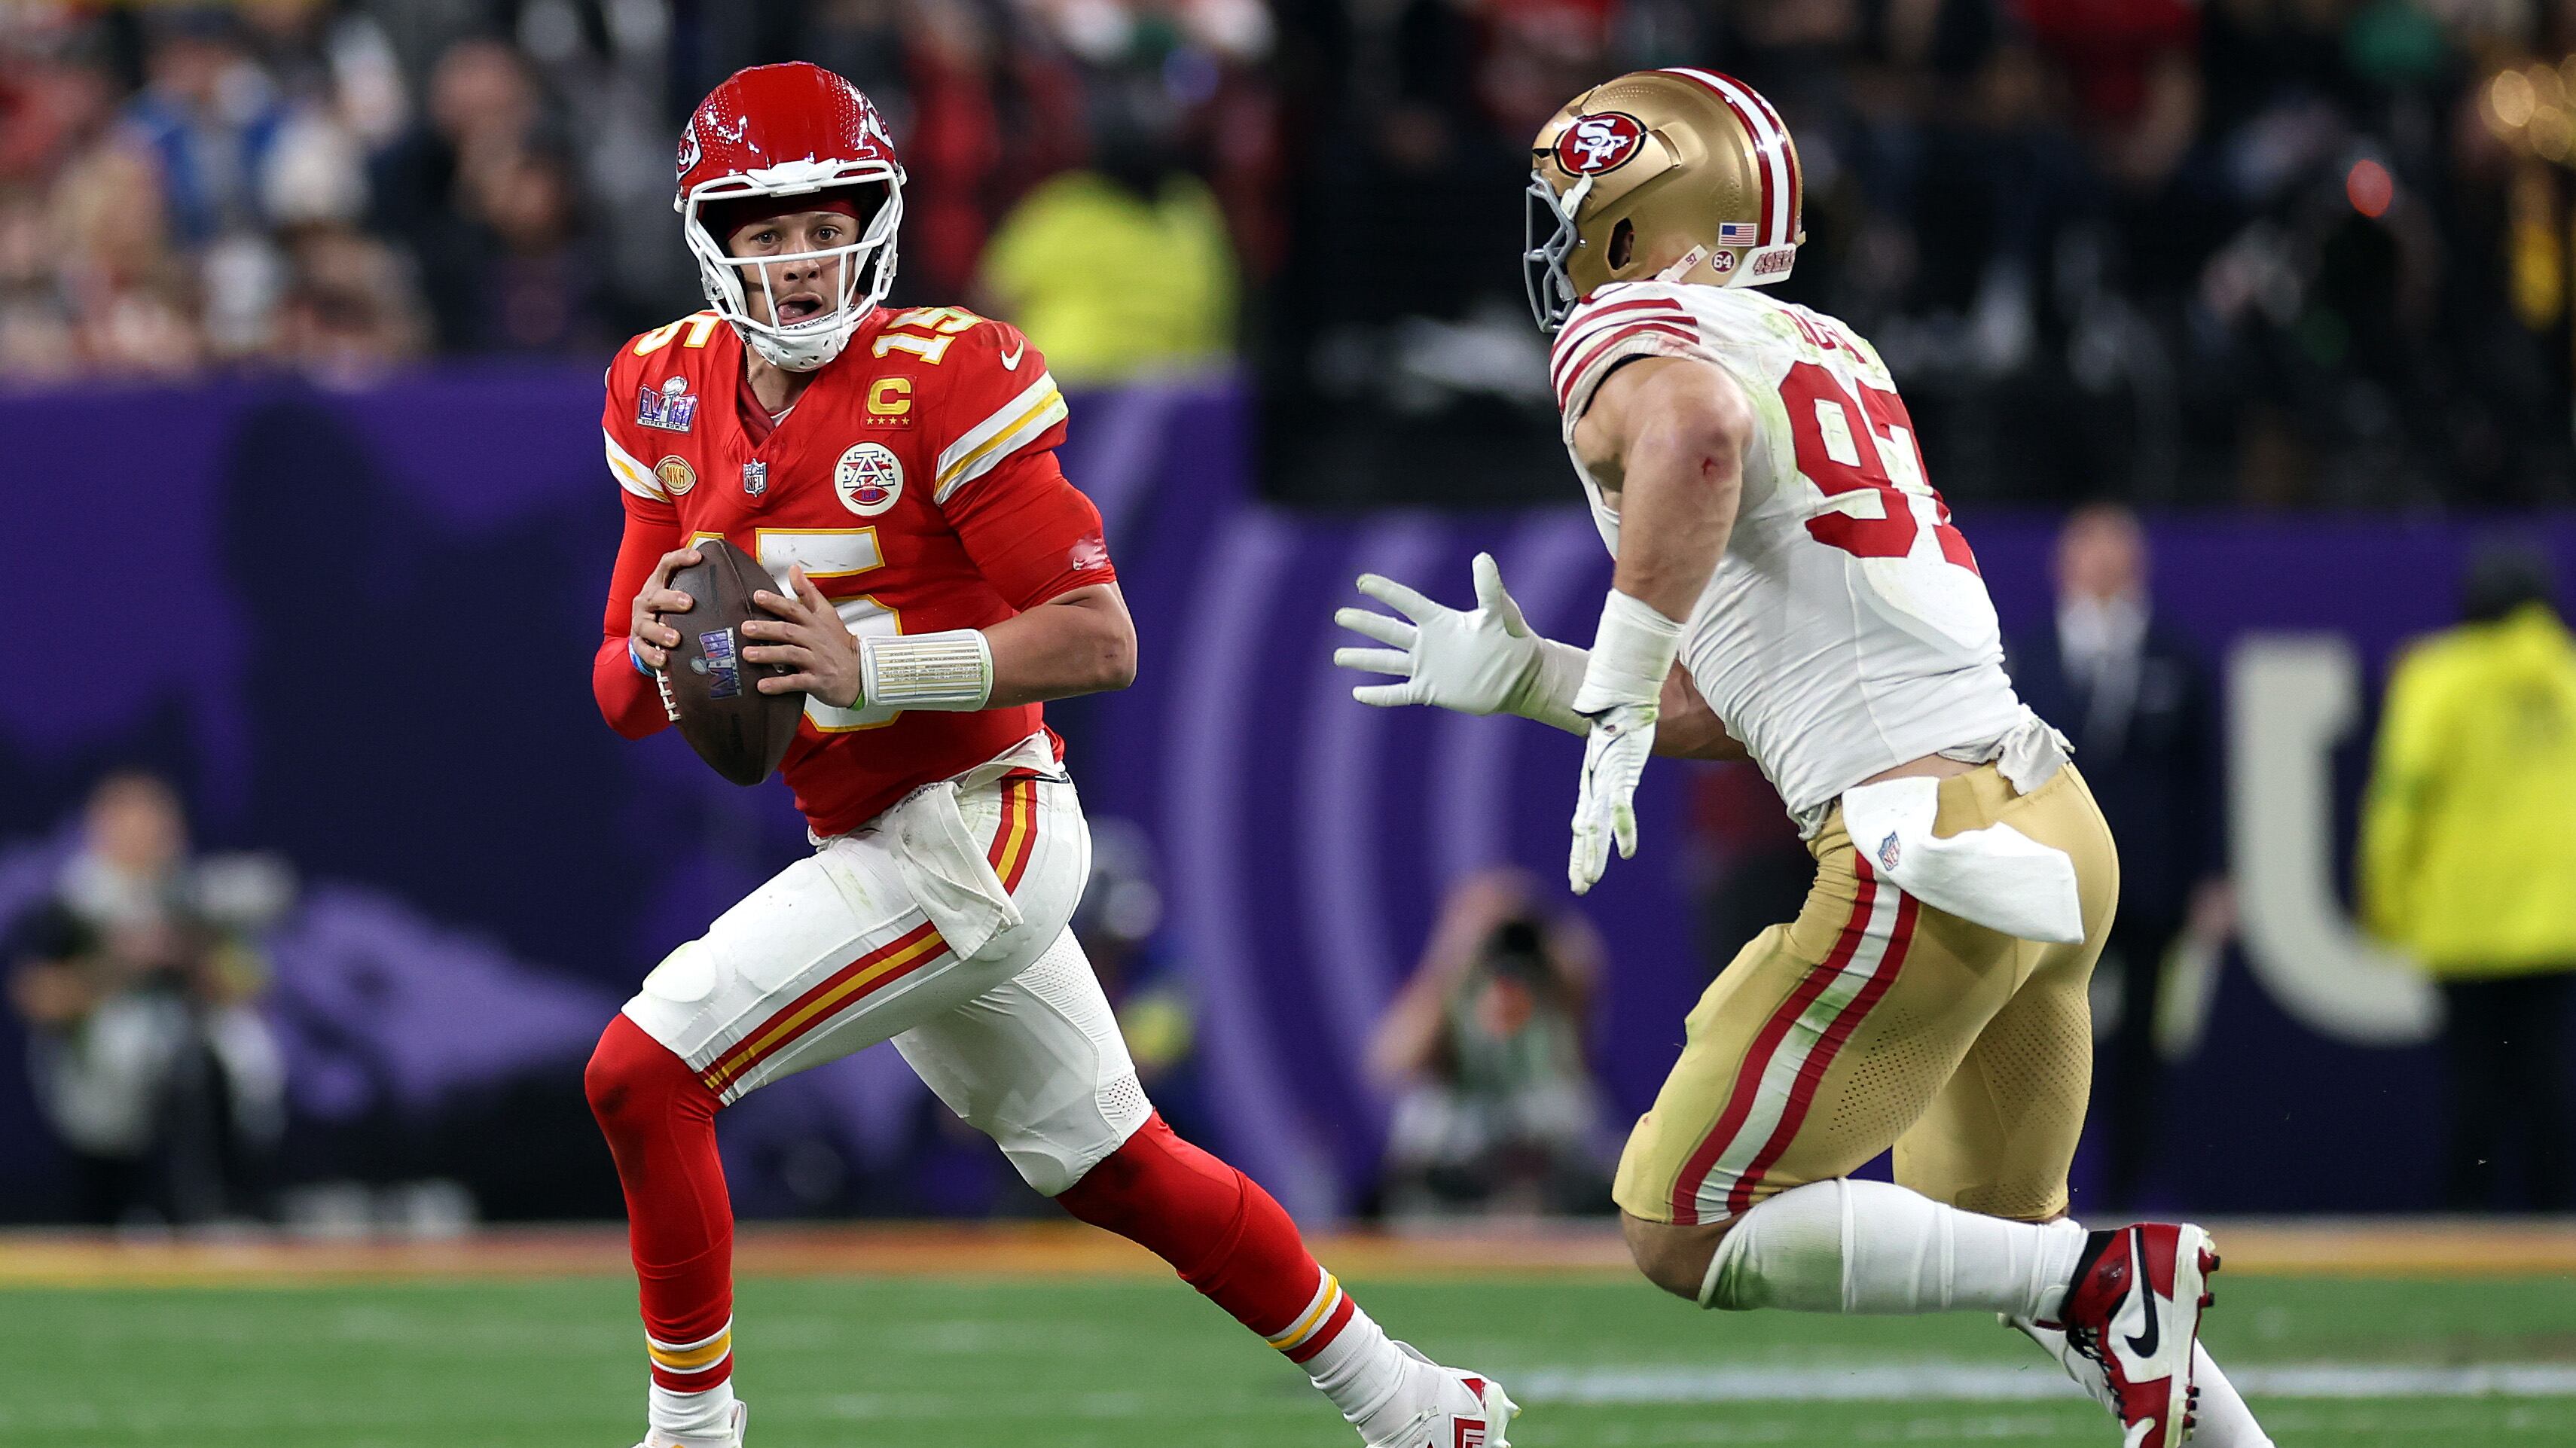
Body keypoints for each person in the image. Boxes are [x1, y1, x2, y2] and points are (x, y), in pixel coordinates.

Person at [1335, 70, 2272, 1448]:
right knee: (2014, 1257)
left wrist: (1620, 681)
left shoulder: (1631, 329)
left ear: (1643, 221)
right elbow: (1750, 701)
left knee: (1683, 1218)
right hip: (2049, 820)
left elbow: (1697, 435)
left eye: (1575, 209)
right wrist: (1548, 678)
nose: (1557, 242)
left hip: (1927, 851)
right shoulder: (1827, 344)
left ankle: (2105, 1279)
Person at [581, 64, 1509, 1448]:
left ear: (877, 223)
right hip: (868, 836)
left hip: (981, 820)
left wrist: (873, 667)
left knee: (642, 1071)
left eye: (828, 223)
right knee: (1120, 1166)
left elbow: (1099, 636)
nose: (804, 258)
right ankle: (1421, 1406)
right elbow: (622, 688)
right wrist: (660, 651)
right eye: (768, 230)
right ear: (714, 240)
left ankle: (693, 1436)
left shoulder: (946, 375)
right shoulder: (662, 387)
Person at [2008, 505, 2228, 1209]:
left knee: (2141, 1045)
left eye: (2116, 553)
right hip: (2053, 880)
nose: (2103, 568)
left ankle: (2129, 1191)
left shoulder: (2175, 655)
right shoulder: (2024, 657)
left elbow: (2205, 776)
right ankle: (2042, 1189)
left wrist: (2212, 874)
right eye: (2089, 552)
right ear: (2062, 565)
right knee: (2045, 1038)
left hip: (2151, 880)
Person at [2358, 545, 2576, 1212]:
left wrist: (2385, 897)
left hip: (2465, 916)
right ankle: (2558, 1224)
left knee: (2474, 1083)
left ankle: (2465, 1226)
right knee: (2549, 1076)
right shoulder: (2567, 673)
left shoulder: (2438, 677)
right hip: (2559, 917)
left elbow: (2401, 796)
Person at [6, 773, 285, 1225]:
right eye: (129, 823)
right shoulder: (72, 905)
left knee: (232, 1051)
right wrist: (121, 964)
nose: (145, 836)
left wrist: (187, 953)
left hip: (192, 1098)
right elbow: (38, 996)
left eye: (155, 822)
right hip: (101, 1100)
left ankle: (222, 1208)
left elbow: (252, 990)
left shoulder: (194, 900)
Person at [1369, 868, 1610, 1218]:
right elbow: (1393, 1061)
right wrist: (1451, 962)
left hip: (1545, 1173)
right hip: (1455, 1174)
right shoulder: (1451, 989)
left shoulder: (1550, 992)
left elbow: (1586, 984)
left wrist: (1543, 943)